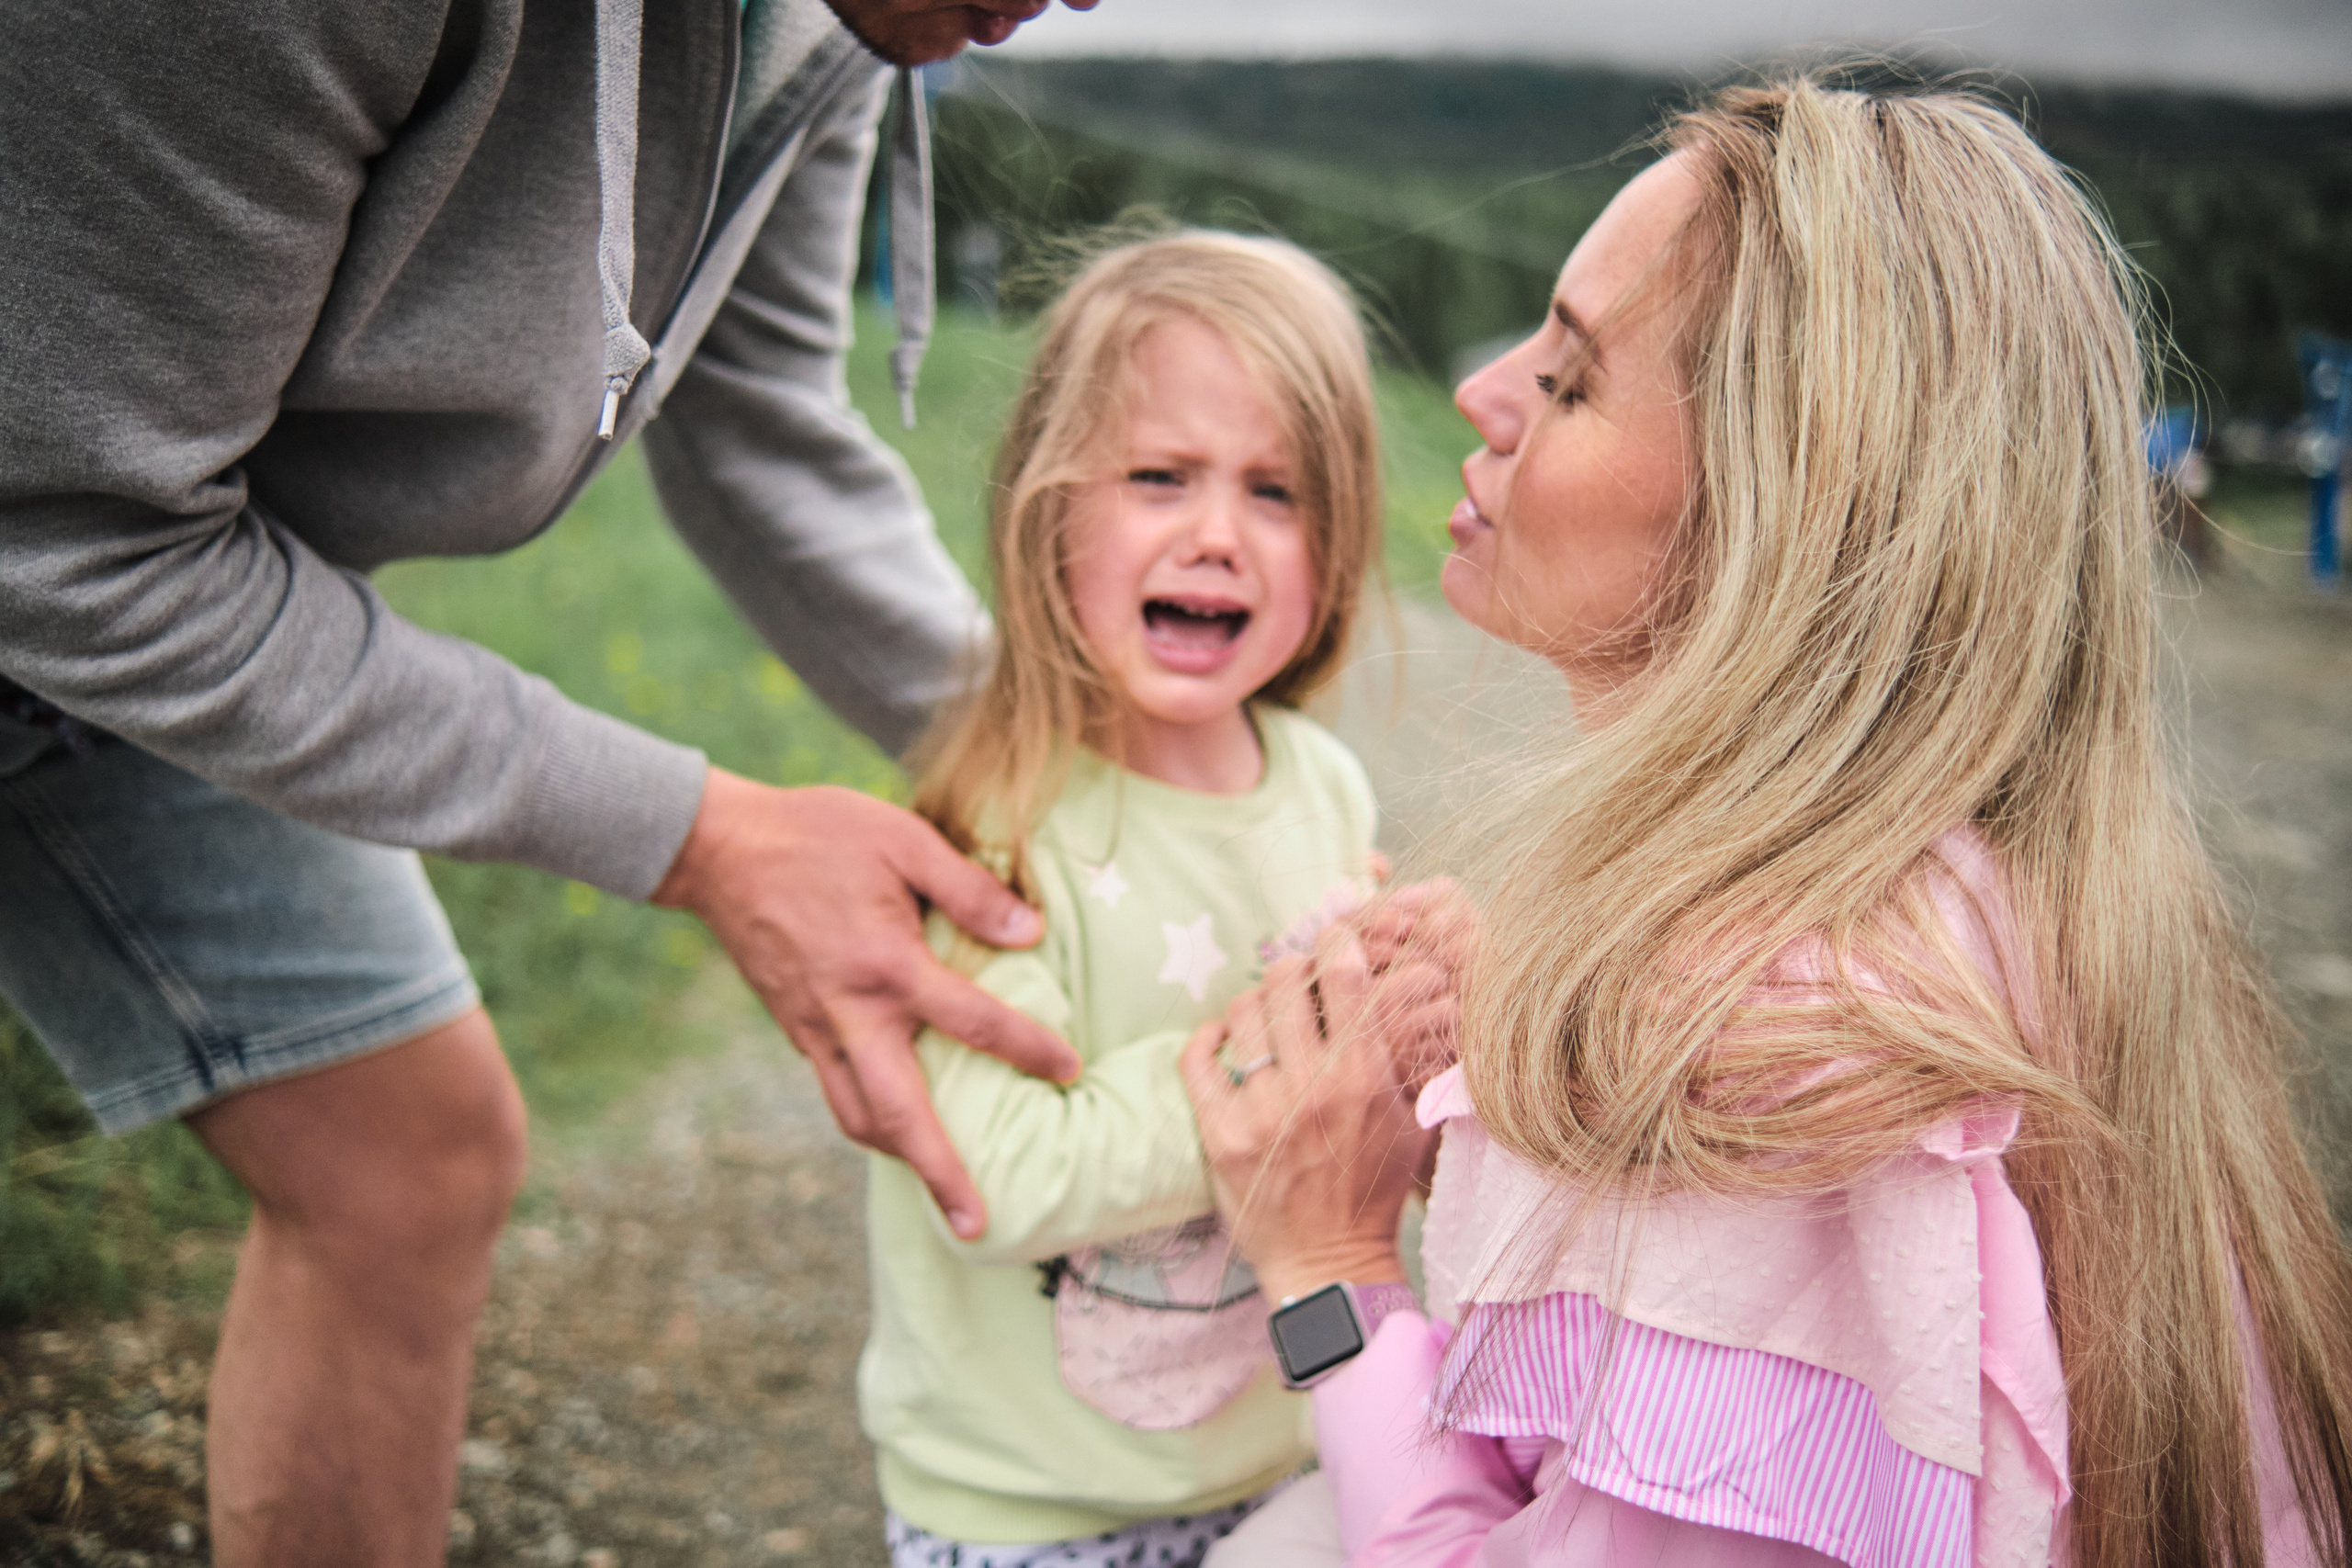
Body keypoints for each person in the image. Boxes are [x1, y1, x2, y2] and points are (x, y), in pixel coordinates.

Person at [1182, 79, 2352, 1565]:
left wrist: (1328, 1265)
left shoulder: (1776, 1055)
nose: (1485, 393)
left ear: (1782, 515)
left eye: (1570, 381)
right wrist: (1535, 1041)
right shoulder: (2013, 887)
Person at [0, 1, 1102, 1562]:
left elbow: (760, 411)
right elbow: (67, 531)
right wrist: (700, 834)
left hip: (163, 589)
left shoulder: (848, 14)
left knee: (405, 1159)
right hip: (102, 553)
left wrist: (1089, 759)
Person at [862, 231, 1394, 1568]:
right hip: (1034, 1513)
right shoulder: (1000, 816)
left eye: (1276, 493)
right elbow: (994, 1179)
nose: (1217, 536)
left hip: (1284, 1458)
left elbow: (1357, 1144)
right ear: (1050, 511)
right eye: (1161, 477)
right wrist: (1284, 1065)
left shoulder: (1323, 786)